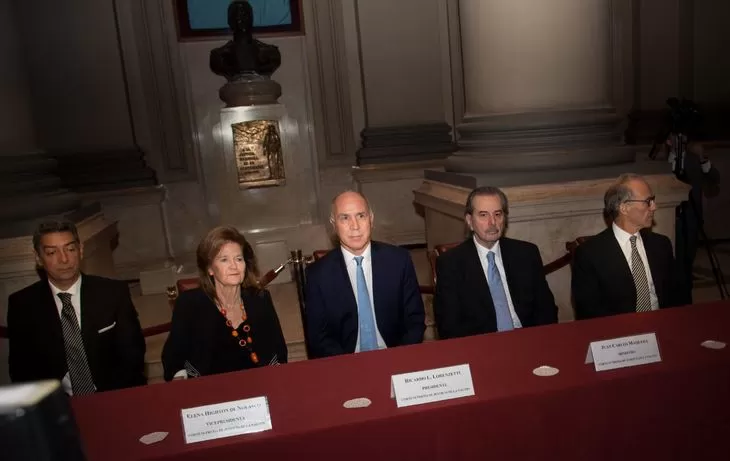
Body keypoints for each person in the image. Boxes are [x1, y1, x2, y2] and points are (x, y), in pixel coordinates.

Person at [7, 220, 146, 395]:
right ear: (38, 258)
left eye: (70, 249)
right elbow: (21, 370)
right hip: (56, 405)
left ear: (80, 250)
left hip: (113, 396)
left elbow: (133, 355)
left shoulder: (112, 293)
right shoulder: (23, 304)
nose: (64, 259)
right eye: (51, 252)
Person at [304, 191, 425, 358]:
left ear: (371, 219)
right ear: (334, 224)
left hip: (396, 357)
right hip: (345, 364)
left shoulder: (399, 261)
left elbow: (415, 321)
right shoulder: (317, 275)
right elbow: (318, 338)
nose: (355, 226)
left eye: (361, 215)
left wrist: (399, 359)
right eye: (344, 218)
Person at [162, 226, 287, 380]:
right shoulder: (189, 305)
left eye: (238, 259)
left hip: (258, 390)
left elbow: (279, 353)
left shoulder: (260, 299)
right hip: (208, 395)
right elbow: (173, 359)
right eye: (224, 259)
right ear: (210, 269)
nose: (234, 266)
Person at [433, 187, 557, 339]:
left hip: (529, 339)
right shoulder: (451, 264)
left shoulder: (526, 254)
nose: (492, 223)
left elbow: (547, 310)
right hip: (481, 345)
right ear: (469, 221)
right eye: (483, 215)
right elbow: (449, 326)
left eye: (497, 214)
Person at [572, 174, 683, 319]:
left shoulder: (661, 245)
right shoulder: (590, 254)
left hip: (662, 325)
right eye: (648, 201)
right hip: (618, 334)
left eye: (653, 200)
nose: (654, 207)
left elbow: (677, 296)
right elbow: (589, 311)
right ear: (624, 208)